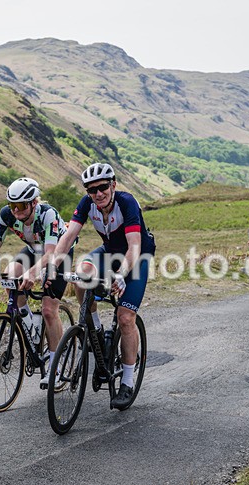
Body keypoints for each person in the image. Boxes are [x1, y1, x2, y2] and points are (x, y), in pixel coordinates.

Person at [49, 162, 156, 410]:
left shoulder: (126, 203)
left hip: (136, 256)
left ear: (113, 185)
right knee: (81, 274)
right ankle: (95, 329)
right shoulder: (88, 204)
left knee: (126, 317)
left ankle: (127, 383)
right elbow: (68, 236)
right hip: (109, 252)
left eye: (103, 187)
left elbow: (134, 247)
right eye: (92, 189)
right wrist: (54, 265)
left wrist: (121, 275)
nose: (98, 193)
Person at [0, 177, 74, 386]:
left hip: (57, 254)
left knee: (48, 309)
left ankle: (56, 365)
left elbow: (50, 255)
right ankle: (31, 325)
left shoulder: (48, 214)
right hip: (34, 250)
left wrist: (34, 273)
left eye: (21, 206)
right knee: (9, 275)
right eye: (12, 205)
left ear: (34, 202)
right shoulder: (6, 214)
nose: (15, 211)